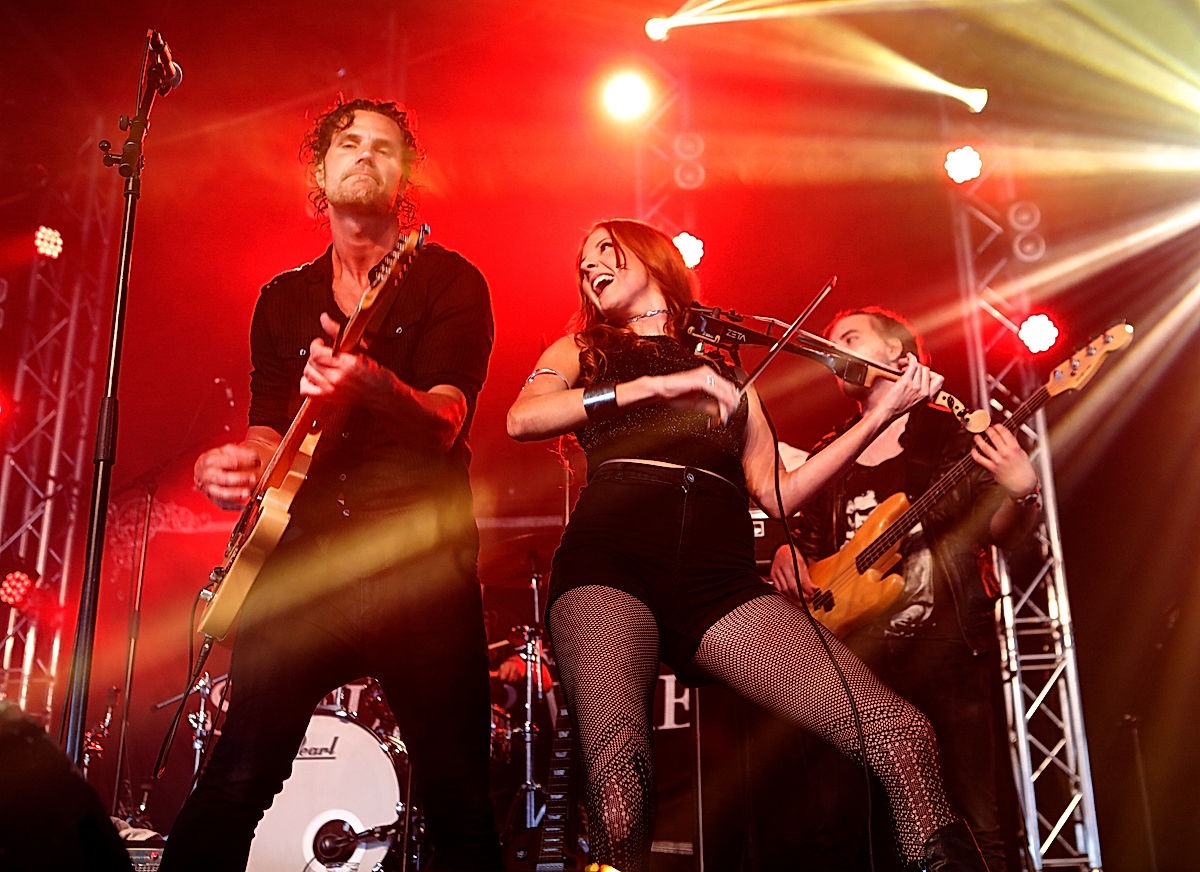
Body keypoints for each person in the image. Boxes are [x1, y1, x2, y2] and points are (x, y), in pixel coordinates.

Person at [506, 219, 989, 872]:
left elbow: (778, 494)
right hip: (609, 564)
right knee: (621, 786)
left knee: (898, 731)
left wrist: (880, 416)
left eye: (605, 250)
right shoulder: (581, 349)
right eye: (582, 261)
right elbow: (523, 418)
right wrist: (652, 387)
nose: (590, 266)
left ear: (652, 258)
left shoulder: (726, 370)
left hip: (720, 579)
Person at [159, 97, 500, 872]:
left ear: (404, 177)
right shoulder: (282, 299)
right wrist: (239, 460)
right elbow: (268, 428)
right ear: (319, 170)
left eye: (384, 146)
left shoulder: (449, 280)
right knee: (238, 778)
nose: (365, 154)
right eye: (349, 143)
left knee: (458, 800)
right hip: (303, 562)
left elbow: (447, 419)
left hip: (418, 564)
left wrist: (376, 387)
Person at [767, 307, 1039, 871]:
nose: (833, 349)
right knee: (853, 829)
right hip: (851, 660)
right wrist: (786, 551)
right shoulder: (832, 448)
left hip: (943, 653)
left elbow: (1001, 532)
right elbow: (809, 541)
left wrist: (1021, 493)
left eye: (849, 337)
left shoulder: (950, 436)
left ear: (897, 352)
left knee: (972, 824)